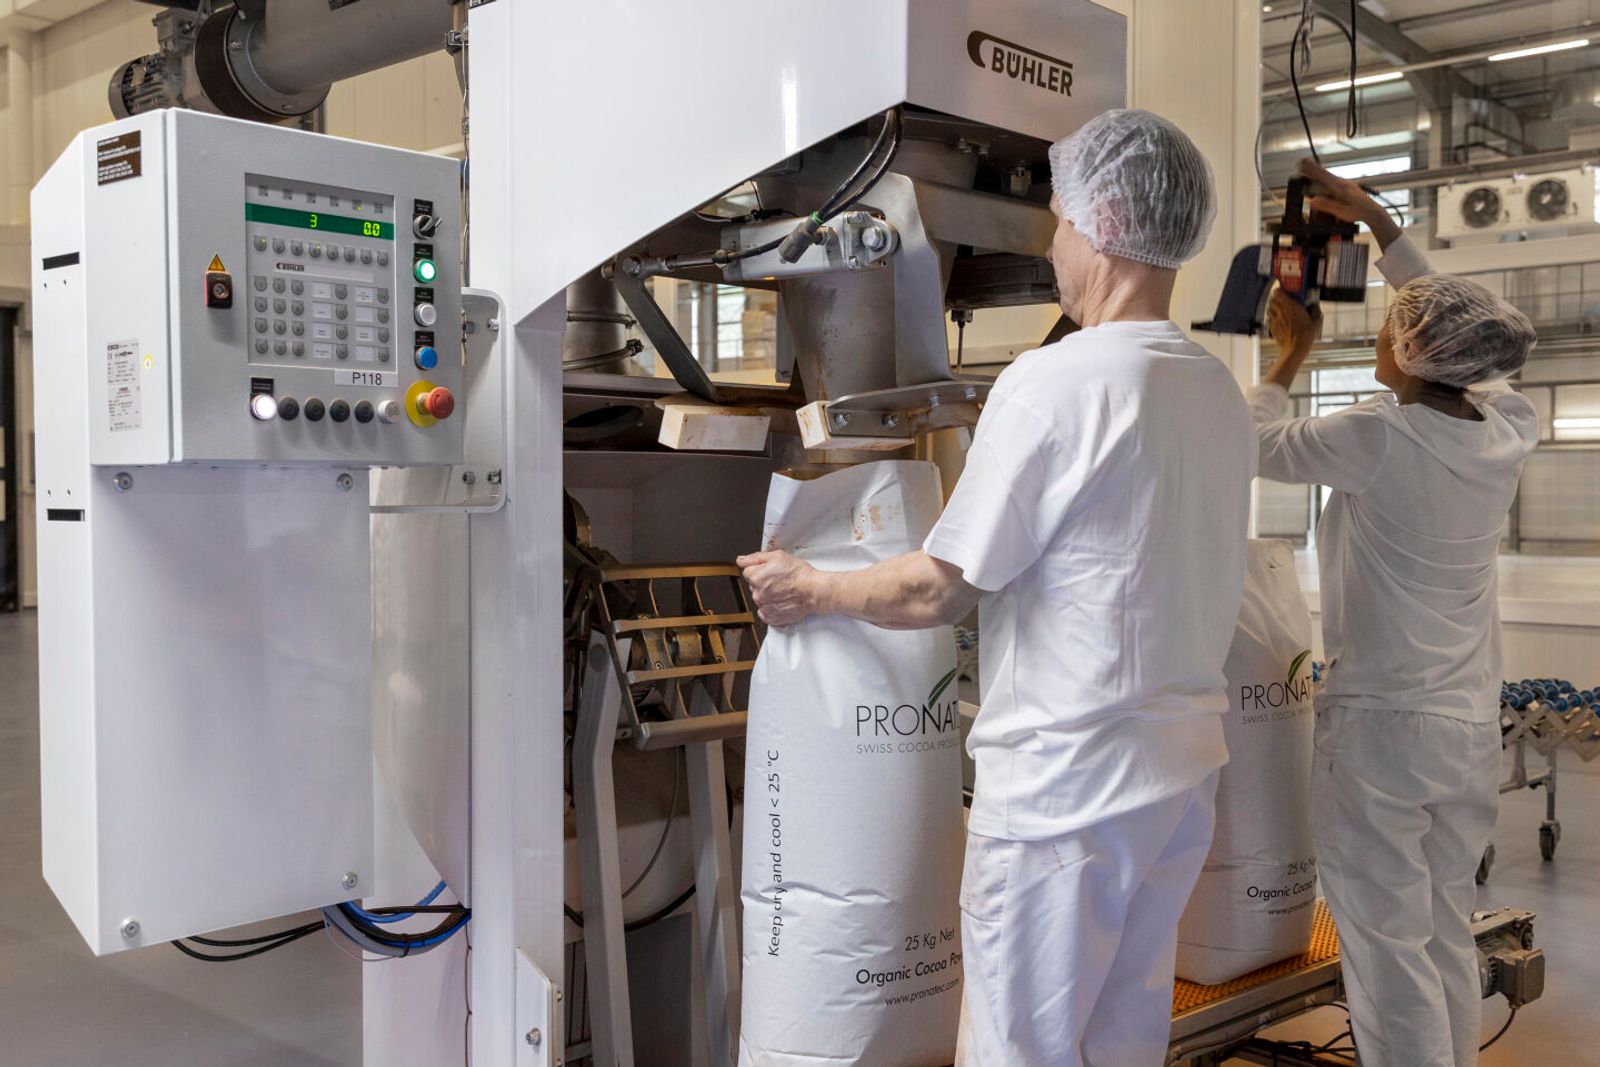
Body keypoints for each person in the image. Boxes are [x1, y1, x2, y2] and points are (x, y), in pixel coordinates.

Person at [737, 109, 1255, 1067]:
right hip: (1178, 779)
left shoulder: (1053, 383)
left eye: (1058, 220)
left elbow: (939, 588)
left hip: (1065, 797)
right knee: (1122, 1040)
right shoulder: (1214, 389)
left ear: (1100, 225)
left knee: (1020, 1049)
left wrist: (812, 588)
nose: (1052, 243)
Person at [1253, 159, 1540, 1067]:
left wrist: (1286, 357)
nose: (1385, 332)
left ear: (1414, 353)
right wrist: (1378, 223)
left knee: (1386, 949)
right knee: (1443, 931)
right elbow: (1464, 334)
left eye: (1393, 328)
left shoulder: (1377, 435)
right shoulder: (1505, 429)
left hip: (1381, 730)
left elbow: (1254, 444)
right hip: (1463, 728)